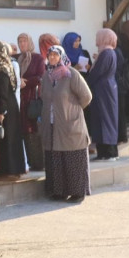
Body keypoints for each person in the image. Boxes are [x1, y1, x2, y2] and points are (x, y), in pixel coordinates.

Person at [41, 46, 94, 202]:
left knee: (72, 157)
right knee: (56, 156)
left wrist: (73, 111)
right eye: (50, 55)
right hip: (51, 124)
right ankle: (59, 191)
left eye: (55, 55)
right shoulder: (46, 76)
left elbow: (86, 96)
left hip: (70, 123)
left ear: (62, 57)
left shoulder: (71, 74)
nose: (52, 58)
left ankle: (77, 192)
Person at [0, 40, 27, 175]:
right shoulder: (4, 66)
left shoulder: (1, 70)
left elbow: (2, 92)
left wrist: (1, 111)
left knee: (7, 139)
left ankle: (9, 170)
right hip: (10, 106)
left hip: (6, 108)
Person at [86, 29, 120, 160]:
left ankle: (109, 152)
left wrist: (86, 83)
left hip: (103, 90)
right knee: (102, 119)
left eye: (98, 36)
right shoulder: (107, 52)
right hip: (104, 89)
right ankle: (104, 152)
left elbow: (97, 72)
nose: (96, 39)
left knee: (105, 118)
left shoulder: (106, 53)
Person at [16, 34, 47, 171]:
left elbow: (41, 76)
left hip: (31, 98)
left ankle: (38, 163)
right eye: (20, 41)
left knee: (32, 130)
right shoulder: (17, 58)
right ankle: (27, 161)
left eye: (24, 41)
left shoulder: (37, 58)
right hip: (19, 98)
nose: (22, 44)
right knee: (22, 130)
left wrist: (26, 82)